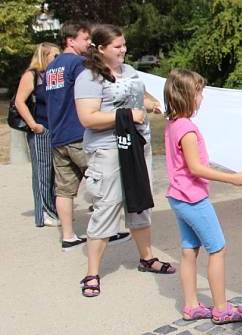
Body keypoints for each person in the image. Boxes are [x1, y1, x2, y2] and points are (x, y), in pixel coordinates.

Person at [74, 24, 174, 297]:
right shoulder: (89, 78)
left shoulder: (127, 71)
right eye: (117, 46)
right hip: (108, 151)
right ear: (101, 48)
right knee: (106, 207)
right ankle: (92, 272)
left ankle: (146, 257)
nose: (123, 50)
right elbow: (88, 118)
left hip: (136, 149)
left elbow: (135, 96)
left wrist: (148, 106)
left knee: (139, 205)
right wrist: (129, 115)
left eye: (124, 44)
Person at [163, 68, 242, 324]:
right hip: (193, 199)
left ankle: (191, 305)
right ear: (186, 96)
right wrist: (231, 178)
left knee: (189, 250)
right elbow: (196, 168)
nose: (201, 97)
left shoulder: (173, 125)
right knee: (218, 248)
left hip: (178, 197)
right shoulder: (187, 130)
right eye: (199, 92)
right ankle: (222, 307)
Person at [46, 22, 99, 250]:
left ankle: (68, 236)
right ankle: (107, 231)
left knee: (64, 190)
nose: (90, 43)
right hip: (78, 133)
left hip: (58, 134)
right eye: (86, 39)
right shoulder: (78, 64)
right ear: (71, 40)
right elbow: (92, 91)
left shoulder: (52, 66)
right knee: (101, 181)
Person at [14, 42, 61, 227]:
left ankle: (55, 209)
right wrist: (34, 125)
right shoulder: (32, 75)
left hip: (56, 128)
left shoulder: (53, 75)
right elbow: (19, 101)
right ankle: (44, 212)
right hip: (41, 129)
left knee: (56, 172)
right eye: (54, 56)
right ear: (44, 56)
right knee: (43, 171)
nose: (58, 59)